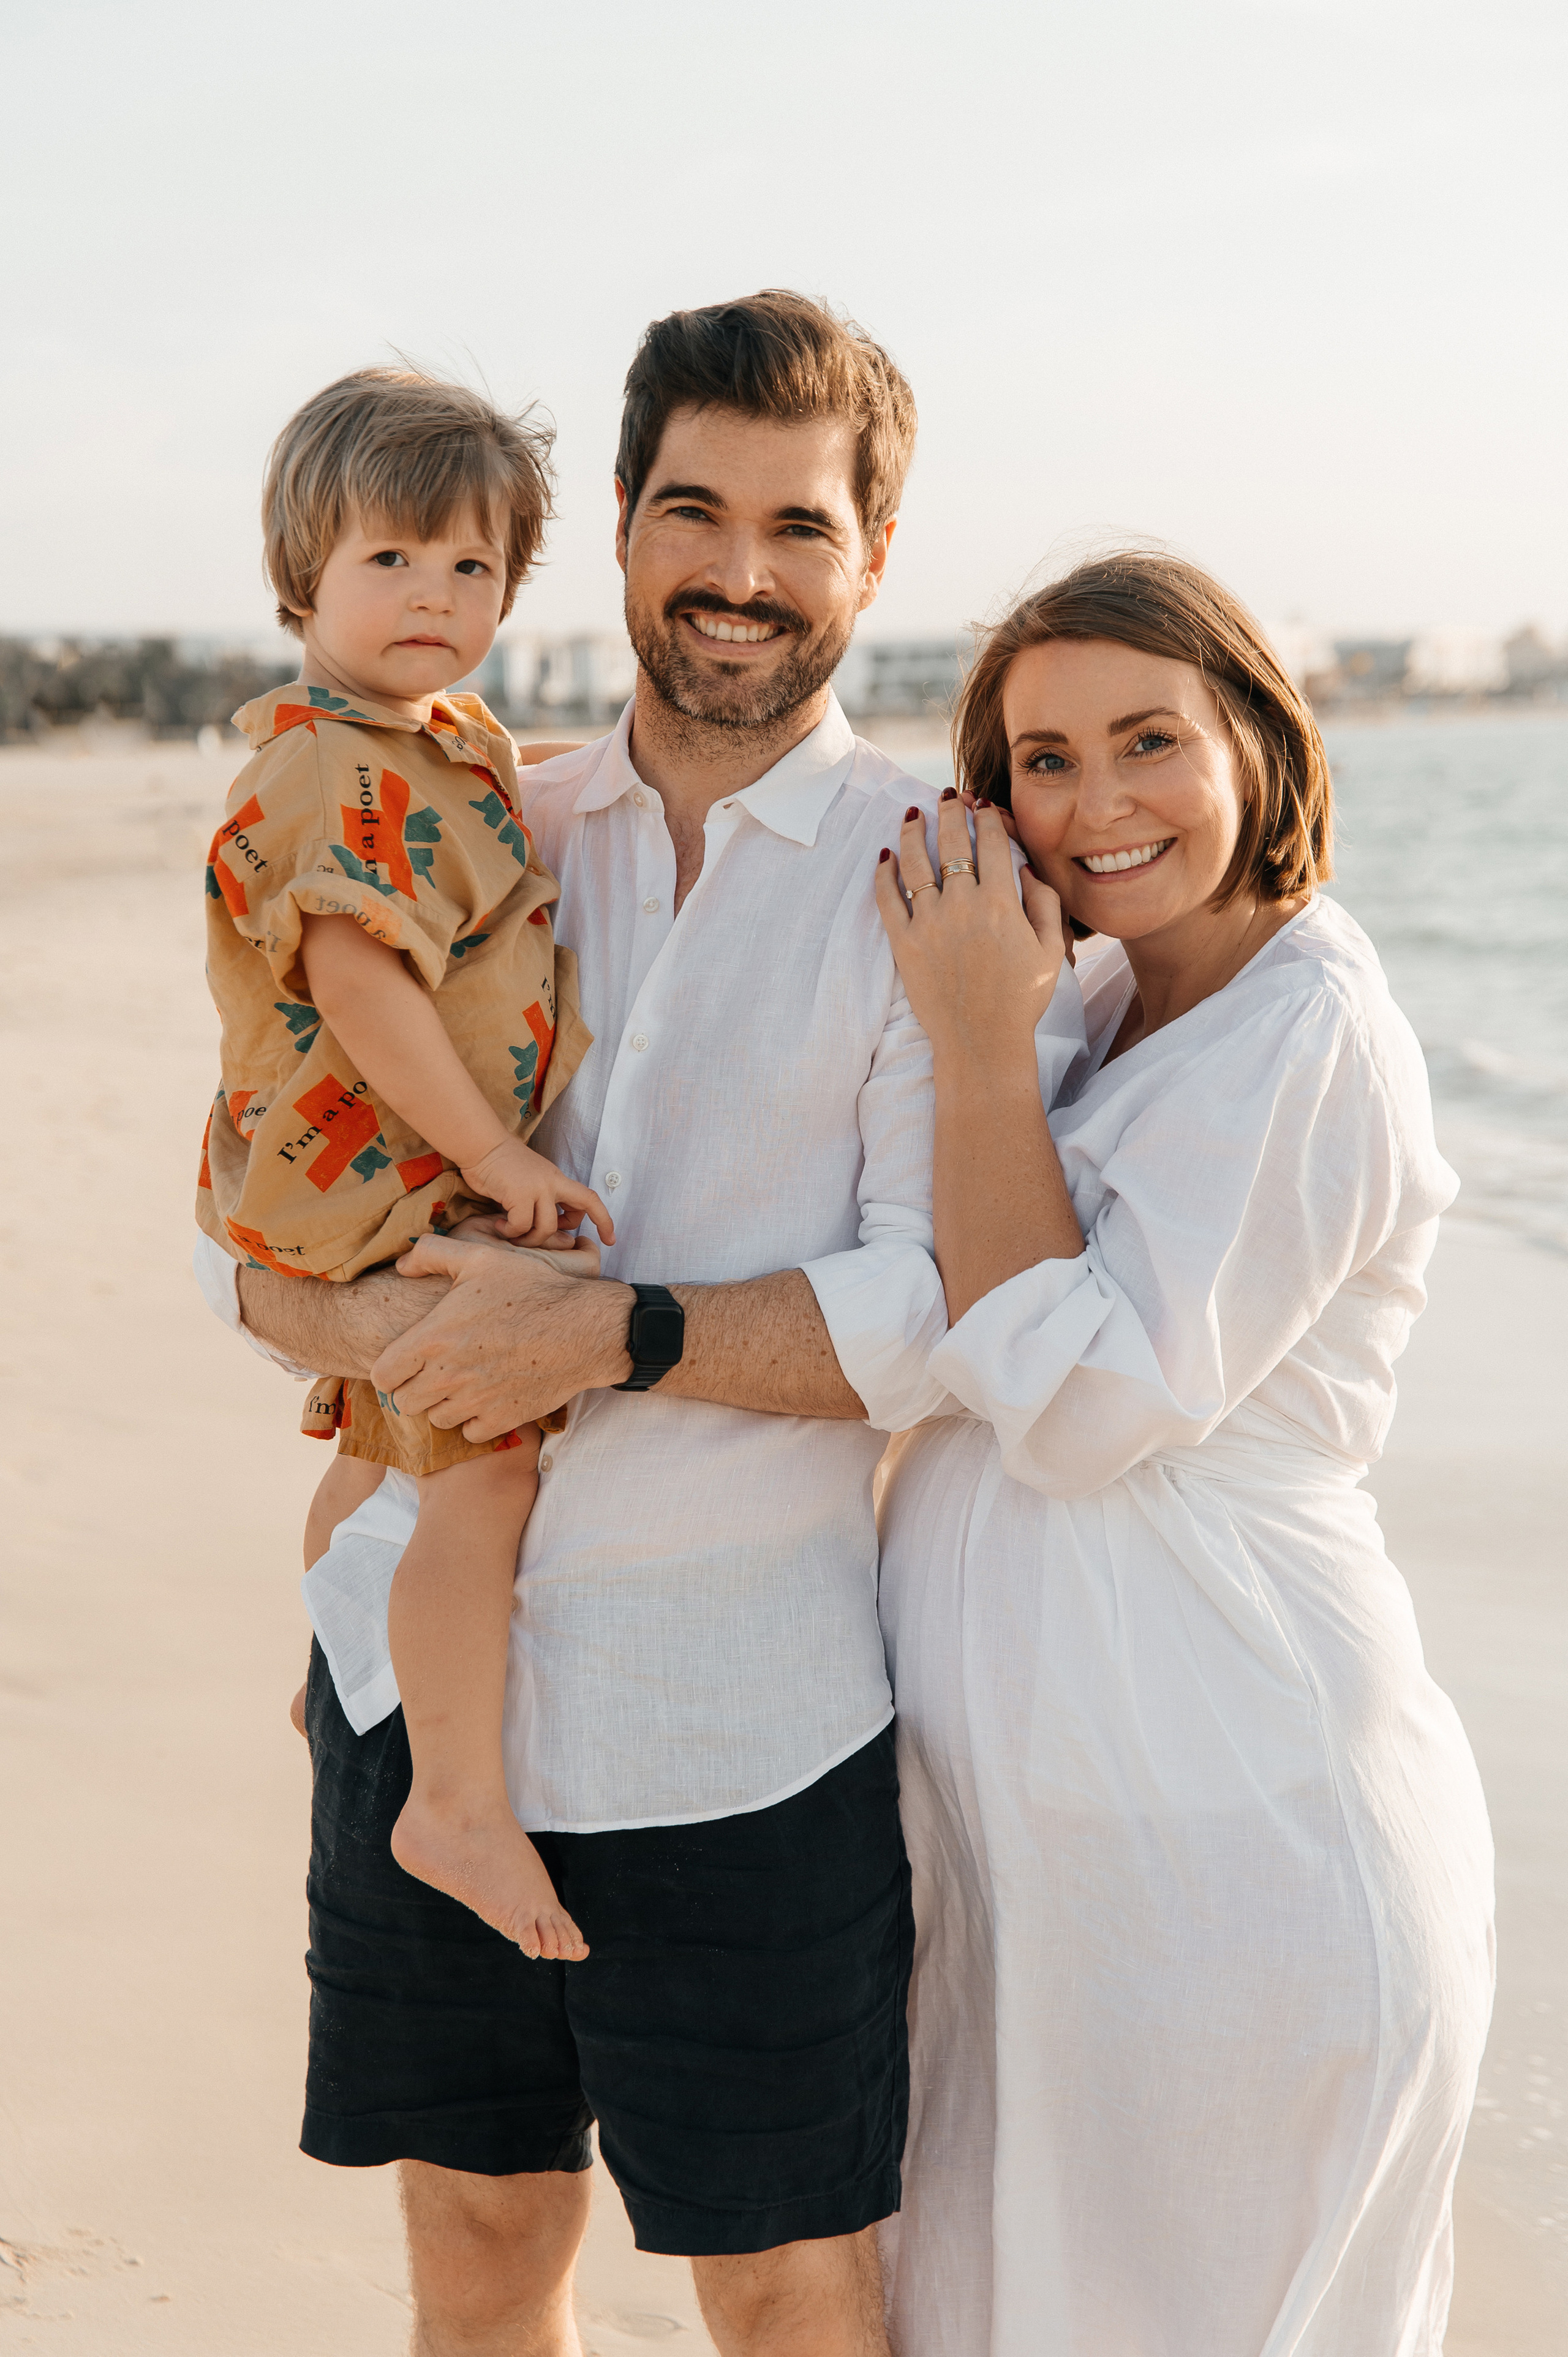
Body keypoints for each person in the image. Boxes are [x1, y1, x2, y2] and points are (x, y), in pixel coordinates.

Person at [194, 291, 941, 2356]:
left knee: (790, 2289)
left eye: (799, 526)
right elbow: (257, 1164)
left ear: (874, 553)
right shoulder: (471, 807)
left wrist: (598, 1340)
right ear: (615, 528)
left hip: (747, 1726)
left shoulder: (935, 879)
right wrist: (322, 1301)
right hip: (418, 1682)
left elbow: (943, 1310)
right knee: (478, 2261)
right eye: (691, 511)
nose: (736, 572)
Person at [865, 551, 1496, 2355]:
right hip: (1052, 1865)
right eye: (1043, 761)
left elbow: (1072, 1412)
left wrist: (973, 1042)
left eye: (1151, 739)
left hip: (1236, 1841)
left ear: (1257, 746)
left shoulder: (1312, 1030)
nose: (1099, 803)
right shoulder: (1094, 1009)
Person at [201, 367, 614, 1964]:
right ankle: (449, 1796)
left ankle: (343, 1667)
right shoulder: (324, 766)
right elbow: (365, 979)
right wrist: (500, 1152)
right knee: (488, 1454)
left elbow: (494, 810)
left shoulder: (433, 739)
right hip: (372, 1166)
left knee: (378, 1444)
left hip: (366, 1163)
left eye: (473, 570)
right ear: (304, 575)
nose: (436, 598)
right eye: (393, 562)